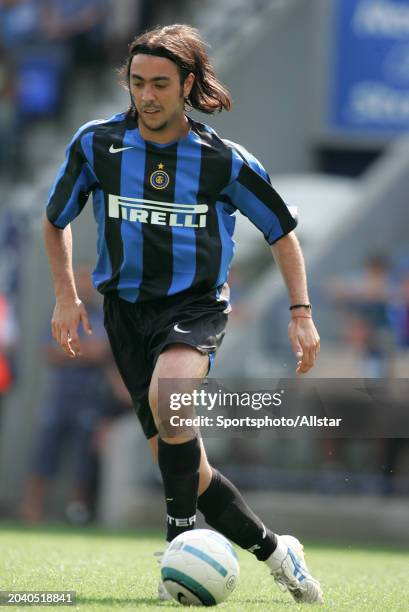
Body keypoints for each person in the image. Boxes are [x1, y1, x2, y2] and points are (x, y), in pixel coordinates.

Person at [43, 24, 322, 604]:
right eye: (137, 82)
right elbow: (55, 219)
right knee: (184, 463)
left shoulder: (224, 161)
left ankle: (178, 539)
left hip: (195, 305)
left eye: (161, 84)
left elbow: (283, 234)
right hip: (125, 314)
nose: (146, 95)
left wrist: (301, 310)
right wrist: (67, 295)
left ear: (188, 85)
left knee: (172, 402)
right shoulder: (96, 144)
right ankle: (276, 551)